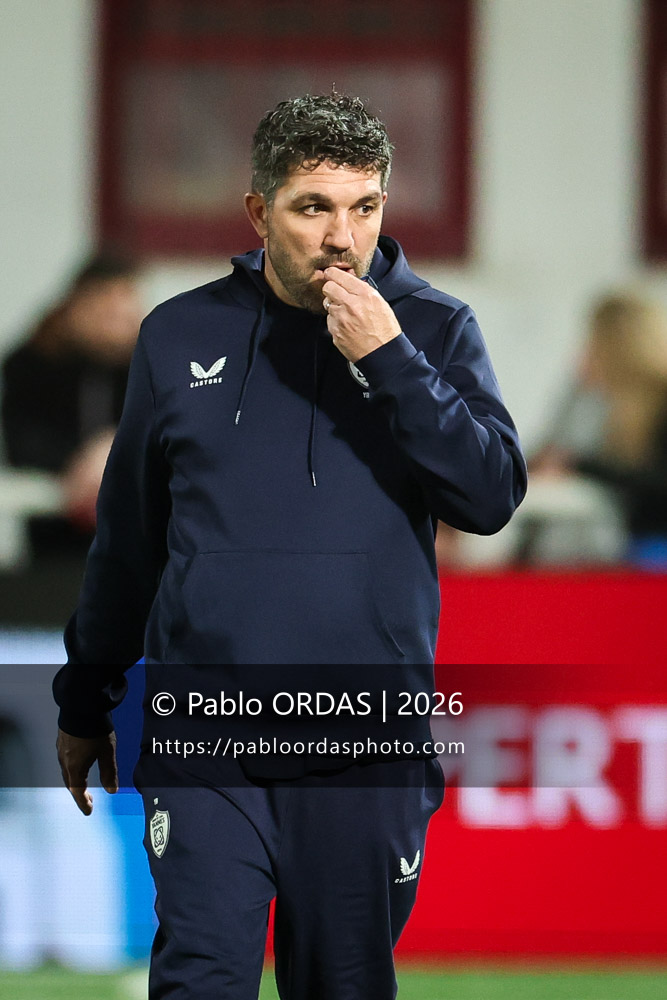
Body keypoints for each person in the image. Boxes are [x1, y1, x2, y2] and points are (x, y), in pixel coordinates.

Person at [53, 93, 526, 999]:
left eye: (364, 206)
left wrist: (389, 360)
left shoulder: (433, 329)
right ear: (258, 211)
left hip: (363, 742)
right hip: (205, 737)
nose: (343, 237)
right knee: (197, 981)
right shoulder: (178, 334)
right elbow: (130, 543)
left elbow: (488, 497)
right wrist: (84, 697)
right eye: (314, 207)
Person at [2, 252, 143, 554]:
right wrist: (83, 461)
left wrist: (113, 450)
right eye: (107, 314)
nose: (119, 326)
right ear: (77, 307)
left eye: (125, 315)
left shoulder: (150, 366)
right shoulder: (32, 364)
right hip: (55, 538)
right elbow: (23, 441)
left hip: (132, 540)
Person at [528, 292, 667, 567]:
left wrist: (578, 465)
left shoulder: (659, 403)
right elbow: (549, 449)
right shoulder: (612, 406)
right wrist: (576, 390)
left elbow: (654, 483)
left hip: (652, 549)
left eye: (592, 341)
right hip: (632, 544)